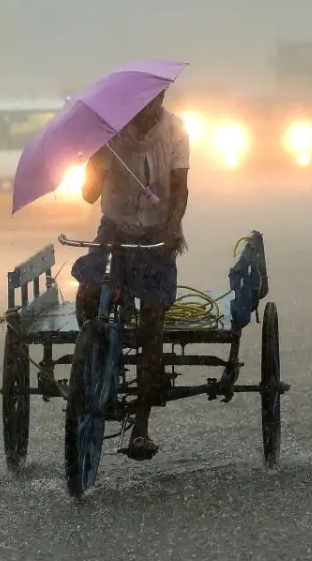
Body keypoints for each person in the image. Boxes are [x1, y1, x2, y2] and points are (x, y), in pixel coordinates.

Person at [71, 88, 190, 461]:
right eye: (141, 102)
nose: (149, 108)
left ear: (164, 98)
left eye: (155, 101)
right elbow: (89, 195)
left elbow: (181, 189)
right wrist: (97, 160)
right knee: (89, 294)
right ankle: (95, 359)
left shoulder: (176, 131)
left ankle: (141, 426)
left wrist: (173, 226)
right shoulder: (111, 134)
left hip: (157, 235)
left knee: (152, 323)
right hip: (115, 230)